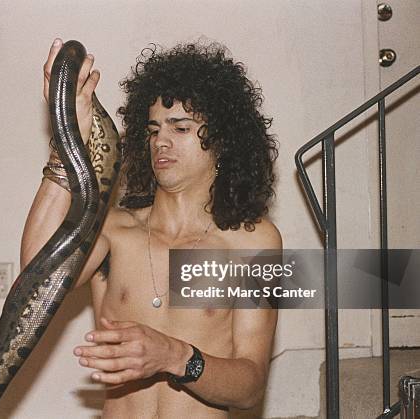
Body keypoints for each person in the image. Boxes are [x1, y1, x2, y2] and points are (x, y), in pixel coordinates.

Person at [21, 38, 280, 418]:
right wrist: (66, 140)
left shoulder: (255, 240)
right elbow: (34, 279)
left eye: (180, 127)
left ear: (222, 140)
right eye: (154, 128)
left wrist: (174, 356)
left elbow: (250, 387)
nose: (161, 140)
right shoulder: (113, 231)